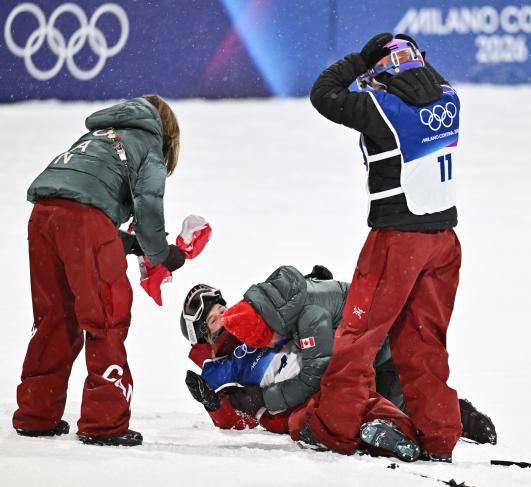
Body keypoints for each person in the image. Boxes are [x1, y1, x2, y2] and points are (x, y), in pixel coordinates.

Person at [291, 33, 464, 462]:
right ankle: (439, 435)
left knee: (358, 337)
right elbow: (423, 77)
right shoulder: (449, 98)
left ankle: (335, 428)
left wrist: (360, 59)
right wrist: (409, 54)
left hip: (396, 242)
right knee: (425, 342)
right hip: (444, 243)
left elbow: (323, 94)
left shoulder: (381, 110)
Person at [13, 95, 187, 447]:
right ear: (168, 132)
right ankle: (104, 423)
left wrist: (131, 244)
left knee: (54, 317)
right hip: (83, 222)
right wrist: (162, 254)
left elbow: (82, 208)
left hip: (43, 217)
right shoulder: (149, 142)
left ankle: (36, 414)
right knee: (106, 316)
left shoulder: (97, 135)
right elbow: (146, 210)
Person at [181, 267, 496, 460]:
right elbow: (240, 416)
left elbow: (290, 307)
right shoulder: (227, 368)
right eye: (213, 319)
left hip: (334, 360)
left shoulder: (258, 319)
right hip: (307, 394)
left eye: (221, 308)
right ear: (204, 337)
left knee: (356, 394)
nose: (224, 316)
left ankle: (449, 416)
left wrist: (317, 286)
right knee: (326, 414)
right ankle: (394, 429)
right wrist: (214, 405)